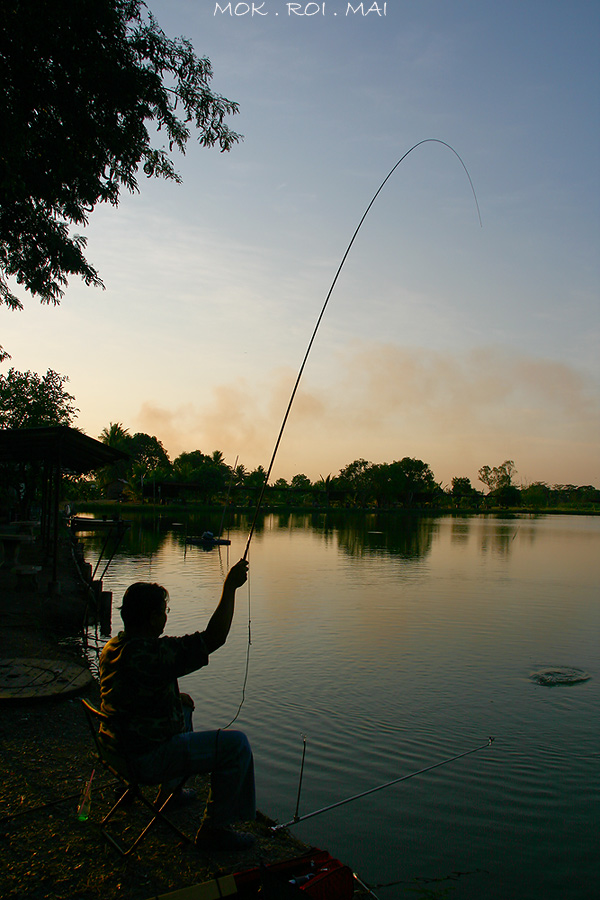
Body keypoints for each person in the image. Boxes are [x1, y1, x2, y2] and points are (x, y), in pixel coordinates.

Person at [98, 558, 256, 851]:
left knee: (183, 705)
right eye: (164, 612)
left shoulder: (114, 647)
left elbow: (135, 690)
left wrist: (173, 697)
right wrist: (230, 587)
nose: (166, 617)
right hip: (145, 758)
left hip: (115, 749)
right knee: (237, 747)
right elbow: (213, 638)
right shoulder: (152, 654)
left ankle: (170, 793)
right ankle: (215, 830)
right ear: (151, 618)